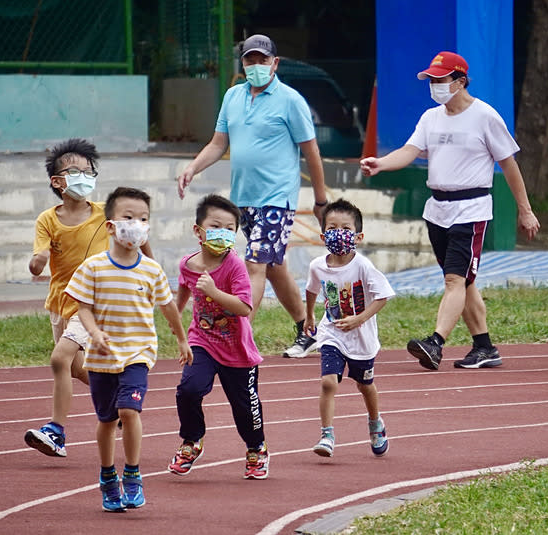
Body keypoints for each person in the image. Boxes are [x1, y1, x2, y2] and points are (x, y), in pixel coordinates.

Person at [360, 51, 540, 371]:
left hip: (470, 209)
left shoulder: (485, 116)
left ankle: (436, 342)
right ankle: (484, 347)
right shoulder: (431, 118)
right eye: (431, 79)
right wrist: (380, 165)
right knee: (464, 281)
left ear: (459, 81)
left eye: (439, 79)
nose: (434, 85)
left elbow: (509, 165)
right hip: (437, 210)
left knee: (455, 280)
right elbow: (409, 151)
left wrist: (525, 211)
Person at [176, 33, 329, 359]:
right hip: (244, 198)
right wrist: (193, 168)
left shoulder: (290, 100)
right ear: (242, 63)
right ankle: (308, 330)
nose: (256, 65)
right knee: (274, 266)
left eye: (263, 60)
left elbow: (311, 151)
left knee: (255, 264)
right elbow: (219, 143)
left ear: (275, 63)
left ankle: (236, 338)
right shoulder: (233, 96)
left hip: (277, 199)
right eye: (250, 60)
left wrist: (320, 200)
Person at [65, 186, 192, 511]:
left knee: (129, 411)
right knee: (107, 420)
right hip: (101, 358)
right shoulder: (93, 268)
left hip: (137, 354)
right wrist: (94, 333)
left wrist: (180, 338)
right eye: (129, 217)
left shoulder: (151, 270)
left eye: (143, 218)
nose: (136, 224)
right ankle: (108, 476)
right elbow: (83, 308)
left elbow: (168, 308)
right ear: (110, 225)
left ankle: (132, 474)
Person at [25, 139, 153, 458]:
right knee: (79, 368)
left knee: (59, 358)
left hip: (94, 303)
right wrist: (36, 263)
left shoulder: (104, 214)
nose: (84, 176)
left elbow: (138, 236)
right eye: (74, 171)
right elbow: (38, 255)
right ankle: (119, 403)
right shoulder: (48, 219)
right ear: (57, 181)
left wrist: (150, 269)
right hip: (61, 303)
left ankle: (56, 431)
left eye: (89, 171)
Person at [168, 194, 270, 479]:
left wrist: (214, 291)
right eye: (216, 226)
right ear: (198, 230)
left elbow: (244, 307)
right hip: (202, 341)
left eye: (229, 228)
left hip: (238, 351)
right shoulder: (188, 264)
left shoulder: (235, 266)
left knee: (244, 408)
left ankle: (256, 448)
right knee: (189, 389)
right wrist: (176, 320)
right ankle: (191, 441)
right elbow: (184, 289)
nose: (222, 233)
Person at [303, 199, 395, 457]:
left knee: (365, 385)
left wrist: (359, 319)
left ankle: (375, 422)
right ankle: (327, 435)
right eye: (332, 227)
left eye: (345, 228)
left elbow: (383, 296)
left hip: (361, 337)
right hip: (332, 332)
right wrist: (309, 316)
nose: (338, 233)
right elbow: (311, 289)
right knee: (328, 383)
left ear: (358, 236)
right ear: (323, 235)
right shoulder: (317, 266)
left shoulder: (363, 266)